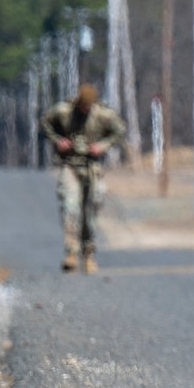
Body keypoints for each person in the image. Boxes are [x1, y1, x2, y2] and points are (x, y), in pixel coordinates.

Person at [41, 83, 127, 274]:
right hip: (70, 164)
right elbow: (45, 123)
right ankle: (71, 252)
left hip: (92, 166)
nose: (85, 110)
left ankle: (88, 254)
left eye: (88, 108)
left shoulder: (103, 115)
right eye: (82, 107)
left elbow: (119, 130)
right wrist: (58, 141)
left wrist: (103, 146)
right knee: (70, 207)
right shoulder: (63, 112)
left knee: (92, 209)